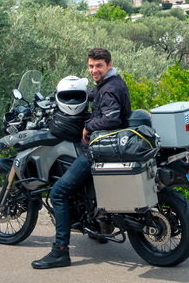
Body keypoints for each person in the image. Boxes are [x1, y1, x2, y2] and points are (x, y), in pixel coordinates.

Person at [32, 47, 132, 270]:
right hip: (112, 146)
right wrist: (72, 94)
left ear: (109, 65)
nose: (94, 70)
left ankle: (60, 251)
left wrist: (88, 126)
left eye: (99, 66)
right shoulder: (111, 83)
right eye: (91, 66)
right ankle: (97, 227)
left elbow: (111, 119)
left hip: (99, 150)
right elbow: (96, 95)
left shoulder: (110, 89)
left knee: (58, 193)